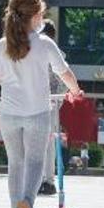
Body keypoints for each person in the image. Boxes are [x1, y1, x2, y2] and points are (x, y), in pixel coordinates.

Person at [0, 0, 83, 208]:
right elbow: (63, 73)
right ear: (34, 17)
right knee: (35, 162)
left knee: (16, 163)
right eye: (41, 14)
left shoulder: (2, 45)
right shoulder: (44, 44)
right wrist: (75, 91)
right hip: (37, 112)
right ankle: (27, 204)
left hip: (9, 113)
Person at [38, 19, 63, 196]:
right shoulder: (57, 53)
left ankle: (45, 180)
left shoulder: (37, 52)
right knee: (47, 144)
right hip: (50, 102)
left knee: (41, 143)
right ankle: (47, 180)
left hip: (43, 102)